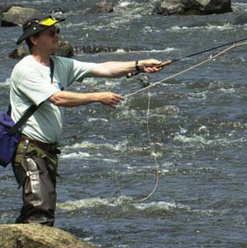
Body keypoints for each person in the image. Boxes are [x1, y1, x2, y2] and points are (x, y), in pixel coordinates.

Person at [9, 16, 163, 226]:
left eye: (57, 30)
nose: (57, 36)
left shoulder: (59, 64)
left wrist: (139, 65)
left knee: (36, 209)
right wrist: (97, 97)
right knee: (40, 211)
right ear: (34, 40)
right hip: (29, 150)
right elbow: (58, 98)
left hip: (47, 151)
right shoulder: (25, 69)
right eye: (51, 32)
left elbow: (104, 69)